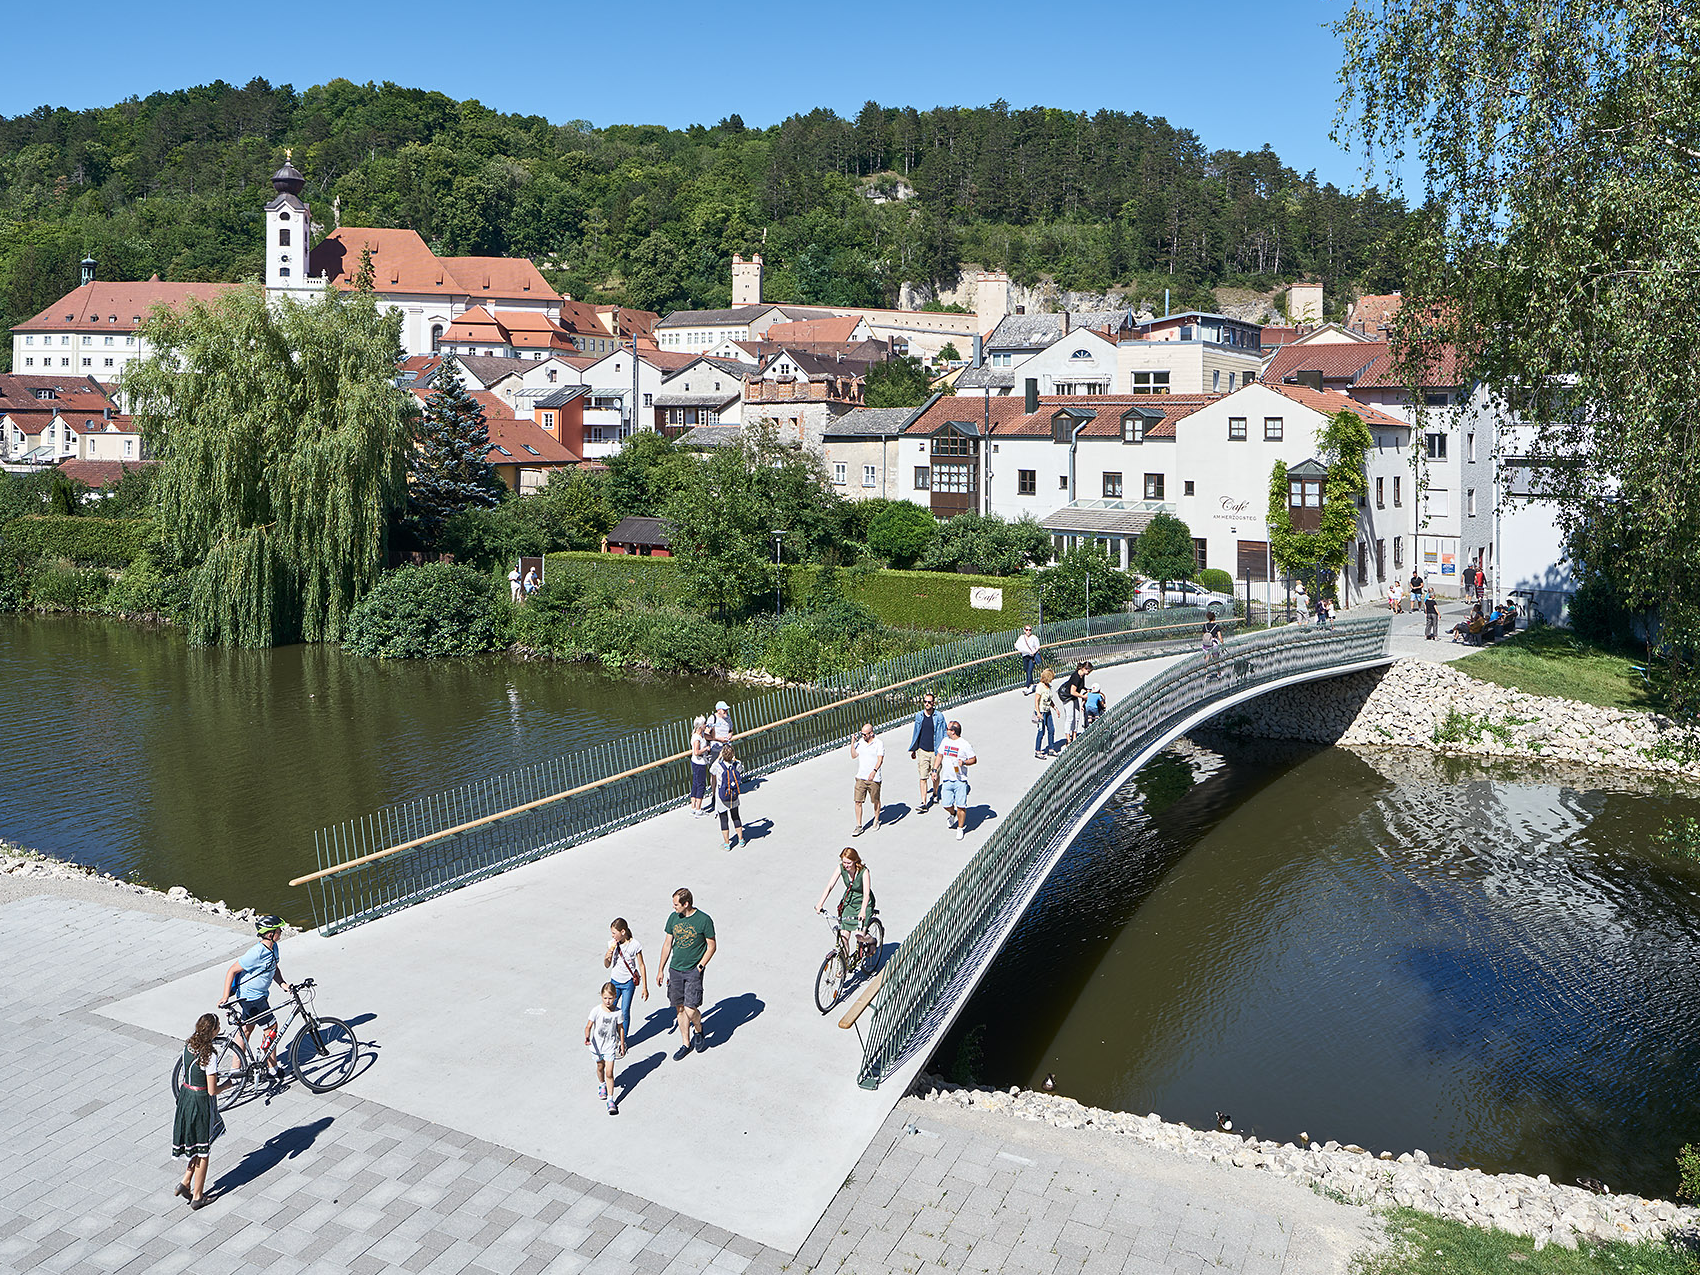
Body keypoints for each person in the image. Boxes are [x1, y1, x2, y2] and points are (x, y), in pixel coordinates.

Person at [221, 916, 290, 1076]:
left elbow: (274, 967)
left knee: (245, 1030)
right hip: (252, 998)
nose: (282, 932)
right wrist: (225, 997)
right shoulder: (256, 952)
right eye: (279, 930)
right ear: (270, 934)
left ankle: (235, 1072)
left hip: (258, 996)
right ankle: (272, 1070)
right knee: (271, 1028)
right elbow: (232, 970)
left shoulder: (274, 948)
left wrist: (283, 984)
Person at [655, 888, 715, 1058]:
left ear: (686, 904)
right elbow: (667, 944)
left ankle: (699, 1030)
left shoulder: (704, 920)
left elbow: (711, 946)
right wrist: (660, 969)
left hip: (693, 970)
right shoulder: (673, 918)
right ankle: (685, 1044)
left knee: (690, 1008)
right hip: (675, 970)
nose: (673, 908)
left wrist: (700, 967)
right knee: (680, 1008)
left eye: (676, 905)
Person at [172, 1012, 223, 1209]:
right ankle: (198, 1196)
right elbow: (212, 1090)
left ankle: (185, 1182)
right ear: (213, 1031)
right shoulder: (209, 1056)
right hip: (200, 1102)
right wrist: (227, 1085)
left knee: (194, 1143)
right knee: (203, 1150)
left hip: (185, 1097)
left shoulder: (189, 1045)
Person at [816, 847, 874, 947]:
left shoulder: (864, 872)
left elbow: (866, 894)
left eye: (848, 863)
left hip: (863, 903)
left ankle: (872, 941)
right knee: (843, 937)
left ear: (855, 861)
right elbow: (830, 886)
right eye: (844, 862)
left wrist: (863, 911)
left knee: (859, 935)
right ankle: (845, 962)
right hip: (849, 901)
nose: (846, 865)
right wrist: (820, 903)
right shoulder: (841, 868)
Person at [602, 918, 648, 1039]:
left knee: (624, 1011)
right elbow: (607, 965)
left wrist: (645, 987)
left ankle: (623, 1039)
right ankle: (610, 1035)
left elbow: (641, 965)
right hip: (615, 982)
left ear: (623, 932)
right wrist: (608, 956)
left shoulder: (635, 945)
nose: (612, 936)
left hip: (628, 983)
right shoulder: (612, 944)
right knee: (610, 1009)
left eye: (614, 933)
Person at [585, 982, 626, 1115]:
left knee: (609, 1072)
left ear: (615, 997)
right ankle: (602, 1084)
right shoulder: (596, 1010)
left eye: (610, 998)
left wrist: (622, 1043)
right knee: (600, 1068)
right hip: (597, 1046)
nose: (608, 1001)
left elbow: (620, 1028)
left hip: (610, 1046)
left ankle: (610, 1100)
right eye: (605, 998)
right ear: (601, 996)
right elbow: (588, 1026)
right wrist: (587, 1037)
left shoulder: (618, 1012)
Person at [932, 720, 977, 841]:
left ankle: (960, 828)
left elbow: (973, 759)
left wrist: (964, 762)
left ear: (953, 731)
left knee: (961, 805)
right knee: (946, 804)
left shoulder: (964, 744)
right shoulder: (945, 741)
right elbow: (939, 756)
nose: (946, 730)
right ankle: (952, 813)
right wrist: (935, 770)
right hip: (947, 779)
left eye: (947, 729)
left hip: (960, 780)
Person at [908, 692, 947, 812]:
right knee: (922, 777)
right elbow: (916, 732)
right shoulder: (919, 716)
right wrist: (914, 749)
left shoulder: (939, 716)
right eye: (925, 702)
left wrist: (944, 749)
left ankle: (935, 793)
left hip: (935, 751)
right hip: (922, 750)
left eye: (929, 702)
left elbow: (944, 732)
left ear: (933, 703)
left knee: (934, 776)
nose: (927, 704)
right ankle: (924, 802)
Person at [850, 722, 884, 836]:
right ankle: (859, 825)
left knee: (875, 800)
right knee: (858, 801)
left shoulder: (878, 743)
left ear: (871, 733)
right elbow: (854, 755)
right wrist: (852, 743)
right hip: (861, 777)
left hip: (874, 778)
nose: (863, 736)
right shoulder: (860, 742)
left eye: (865, 734)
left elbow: (880, 759)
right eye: (862, 734)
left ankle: (876, 819)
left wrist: (874, 771)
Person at [711, 742, 745, 850]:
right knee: (736, 816)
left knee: (724, 820)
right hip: (733, 795)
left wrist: (718, 757)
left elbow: (711, 770)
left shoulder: (719, 766)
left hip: (722, 796)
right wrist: (734, 759)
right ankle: (741, 840)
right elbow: (741, 769)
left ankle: (727, 844)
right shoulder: (736, 764)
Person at [1057, 661, 1093, 745]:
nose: (1088, 673)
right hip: (1067, 697)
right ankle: (1068, 739)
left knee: (1077, 717)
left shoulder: (1082, 675)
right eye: (1088, 671)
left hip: (1074, 696)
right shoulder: (1076, 677)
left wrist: (1086, 689)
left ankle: (1074, 736)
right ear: (1084, 669)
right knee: (1070, 717)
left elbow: (1080, 686)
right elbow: (1072, 691)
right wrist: (1083, 696)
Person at [1032, 668, 1059, 758]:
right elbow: (1036, 700)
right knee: (1041, 731)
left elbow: (1049, 699)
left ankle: (1051, 749)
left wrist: (1055, 708)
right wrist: (1038, 713)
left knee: (1051, 729)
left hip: (1048, 711)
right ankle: (1038, 751)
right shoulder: (1040, 686)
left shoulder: (1048, 686)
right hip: (1041, 712)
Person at [688, 716, 712, 817]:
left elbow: (708, 736)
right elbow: (696, 752)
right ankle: (698, 809)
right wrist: (706, 748)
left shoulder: (701, 734)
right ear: (700, 726)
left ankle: (693, 807)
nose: (705, 725)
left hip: (699, 762)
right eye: (704, 723)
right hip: (699, 763)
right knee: (701, 785)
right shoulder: (696, 738)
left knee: (695, 783)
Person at [1014, 625, 1041, 692]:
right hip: (1025, 656)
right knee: (1026, 670)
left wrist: (1033, 652)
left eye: (1029, 630)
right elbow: (1016, 645)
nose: (1028, 631)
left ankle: (1027, 686)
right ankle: (1031, 684)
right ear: (1024, 630)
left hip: (1032, 656)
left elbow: (1037, 647)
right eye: (1027, 630)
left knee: (1029, 671)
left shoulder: (1034, 638)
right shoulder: (1021, 638)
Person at [1201, 611, 1226, 677]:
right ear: (1214, 618)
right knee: (1216, 659)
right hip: (1213, 644)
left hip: (1206, 644)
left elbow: (1204, 636)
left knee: (1207, 657)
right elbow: (1220, 638)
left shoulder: (1205, 626)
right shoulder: (1216, 626)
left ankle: (1205, 672)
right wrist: (1223, 644)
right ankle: (1218, 673)